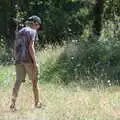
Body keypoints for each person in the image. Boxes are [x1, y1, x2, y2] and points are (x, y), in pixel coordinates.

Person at [10, 15, 42, 111]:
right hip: (28, 60)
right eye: (38, 25)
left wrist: (16, 58)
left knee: (18, 82)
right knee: (34, 81)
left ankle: (12, 104)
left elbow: (15, 46)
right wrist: (35, 62)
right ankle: (37, 103)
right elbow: (31, 47)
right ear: (35, 24)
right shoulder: (33, 31)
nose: (39, 27)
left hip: (19, 60)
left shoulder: (20, 31)